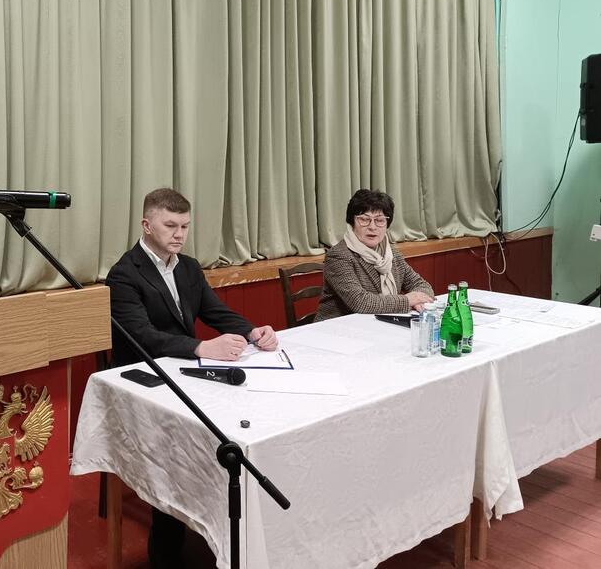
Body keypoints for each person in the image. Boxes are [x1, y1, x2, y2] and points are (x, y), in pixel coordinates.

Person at [106, 187, 278, 568]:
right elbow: (141, 336)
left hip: (184, 368)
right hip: (143, 376)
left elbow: (214, 311)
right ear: (146, 225)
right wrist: (201, 347)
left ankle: (229, 519)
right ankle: (165, 549)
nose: (179, 234)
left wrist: (252, 331)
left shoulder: (188, 267)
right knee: (177, 451)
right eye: (170, 225)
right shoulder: (124, 274)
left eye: (184, 226)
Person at [315, 189, 434, 321]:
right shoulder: (338, 256)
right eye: (364, 219)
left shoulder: (391, 254)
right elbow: (361, 302)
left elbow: (421, 285)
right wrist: (408, 300)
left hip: (379, 322)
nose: (372, 227)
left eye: (379, 220)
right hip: (338, 327)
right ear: (352, 222)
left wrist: (418, 300)